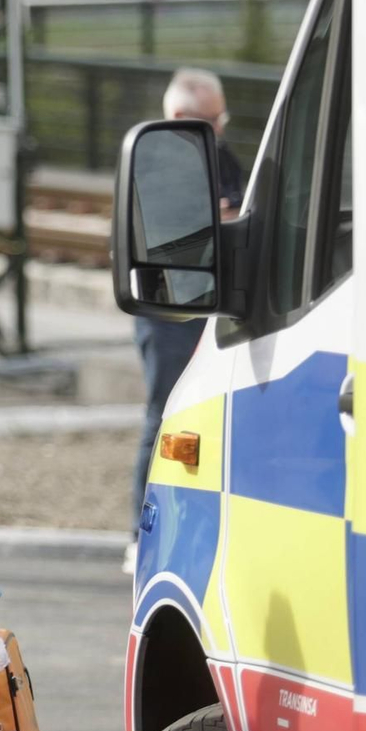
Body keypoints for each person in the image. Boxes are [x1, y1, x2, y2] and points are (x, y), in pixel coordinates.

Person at [125, 67, 247, 573]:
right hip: (169, 308)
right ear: (179, 118)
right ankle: (140, 532)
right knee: (165, 413)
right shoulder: (149, 165)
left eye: (220, 119)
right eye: (212, 120)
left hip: (215, 302)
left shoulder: (221, 158)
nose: (220, 130)